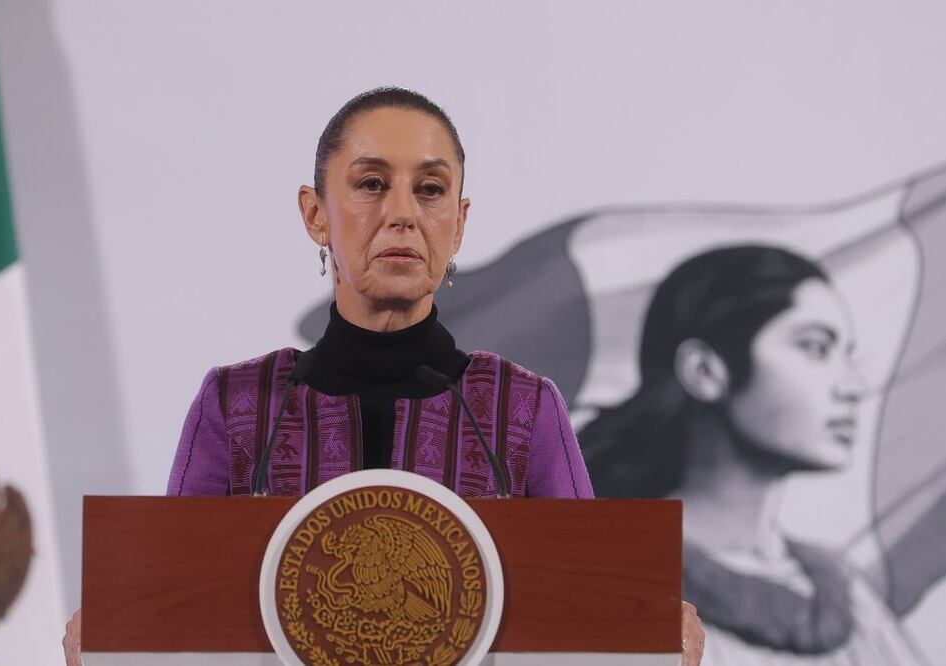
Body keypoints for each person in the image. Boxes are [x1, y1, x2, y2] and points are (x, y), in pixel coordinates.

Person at [64, 87, 705, 665]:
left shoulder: (522, 408)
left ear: (458, 222)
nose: (402, 214)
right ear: (316, 215)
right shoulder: (236, 405)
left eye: (430, 190)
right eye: (371, 184)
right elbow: (172, 612)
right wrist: (119, 634)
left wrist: (645, 635)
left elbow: (591, 613)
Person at [579, 245, 924, 665]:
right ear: (705, 371)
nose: (852, 386)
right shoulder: (608, 584)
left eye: (847, 355)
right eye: (815, 347)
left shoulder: (847, 595)